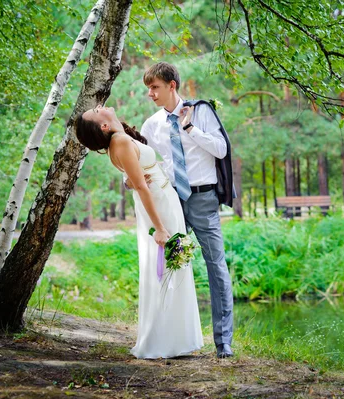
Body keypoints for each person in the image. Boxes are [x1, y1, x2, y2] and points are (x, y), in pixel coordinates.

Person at [75, 105, 203, 359]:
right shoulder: (120, 141)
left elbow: (133, 176)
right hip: (158, 205)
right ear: (103, 126)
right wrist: (160, 228)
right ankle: (166, 341)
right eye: (95, 110)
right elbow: (142, 188)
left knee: (175, 267)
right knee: (168, 267)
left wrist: (130, 180)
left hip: (164, 197)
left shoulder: (120, 138)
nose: (99, 106)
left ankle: (178, 338)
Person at [140, 62, 234, 358]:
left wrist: (189, 127)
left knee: (215, 266)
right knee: (171, 265)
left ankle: (223, 342)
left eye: (155, 87)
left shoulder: (201, 111)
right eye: (148, 89)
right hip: (172, 201)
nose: (151, 94)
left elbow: (221, 149)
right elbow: (142, 159)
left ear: (172, 86)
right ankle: (172, 339)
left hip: (204, 200)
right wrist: (134, 179)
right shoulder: (151, 125)